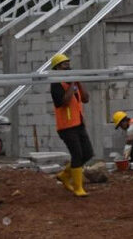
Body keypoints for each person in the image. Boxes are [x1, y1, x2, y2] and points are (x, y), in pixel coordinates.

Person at [50, 53, 93, 197]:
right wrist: (73, 84)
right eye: (64, 65)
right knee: (77, 154)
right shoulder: (56, 84)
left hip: (79, 123)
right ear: (56, 69)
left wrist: (79, 83)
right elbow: (65, 101)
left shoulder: (74, 83)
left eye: (68, 64)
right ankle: (78, 188)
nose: (67, 67)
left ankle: (64, 175)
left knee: (87, 153)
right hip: (66, 127)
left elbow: (86, 98)